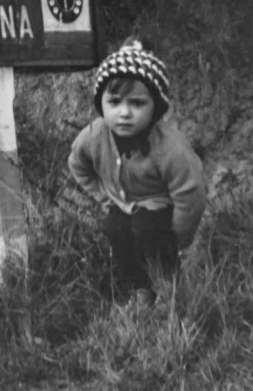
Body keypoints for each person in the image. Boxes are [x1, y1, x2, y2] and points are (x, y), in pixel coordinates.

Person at [68, 37, 206, 308]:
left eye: (137, 103)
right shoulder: (94, 136)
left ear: (156, 107)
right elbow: (77, 164)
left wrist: (179, 238)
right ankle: (140, 288)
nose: (124, 113)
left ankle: (167, 286)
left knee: (148, 230)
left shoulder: (170, 147)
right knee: (116, 230)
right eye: (114, 102)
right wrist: (104, 197)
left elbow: (191, 194)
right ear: (101, 104)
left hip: (161, 207)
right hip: (123, 204)